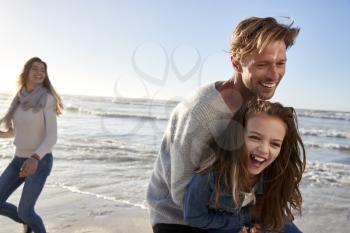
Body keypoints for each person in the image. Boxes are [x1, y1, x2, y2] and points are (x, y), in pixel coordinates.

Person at [147, 16, 300, 233]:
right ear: (237, 63)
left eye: (280, 63)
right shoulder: (202, 113)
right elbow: (181, 192)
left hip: (232, 208)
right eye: (262, 64)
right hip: (179, 219)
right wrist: (242, 222)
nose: (274, 74)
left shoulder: (254, 106)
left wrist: (262, 217)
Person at [183, 100, 306, 233]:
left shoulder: (275, 173)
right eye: (255, 137)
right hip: (224, 226)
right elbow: (194, 217)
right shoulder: (210, 176)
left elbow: (272, 213)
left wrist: (263, 227)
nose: (264, 150)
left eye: (275, 144)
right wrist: (246, 217)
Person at [0, 57, 63, 233]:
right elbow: (16, 132)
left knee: (26, 211)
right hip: (18, 159)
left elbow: (52, 137)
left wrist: (35, 158)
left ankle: (30, 222)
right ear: (26, 72)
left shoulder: (47, 99)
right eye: (35, 68)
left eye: (43, 70)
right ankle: (29, 223)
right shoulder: (19, 98)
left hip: (40, 161)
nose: (39, 72)